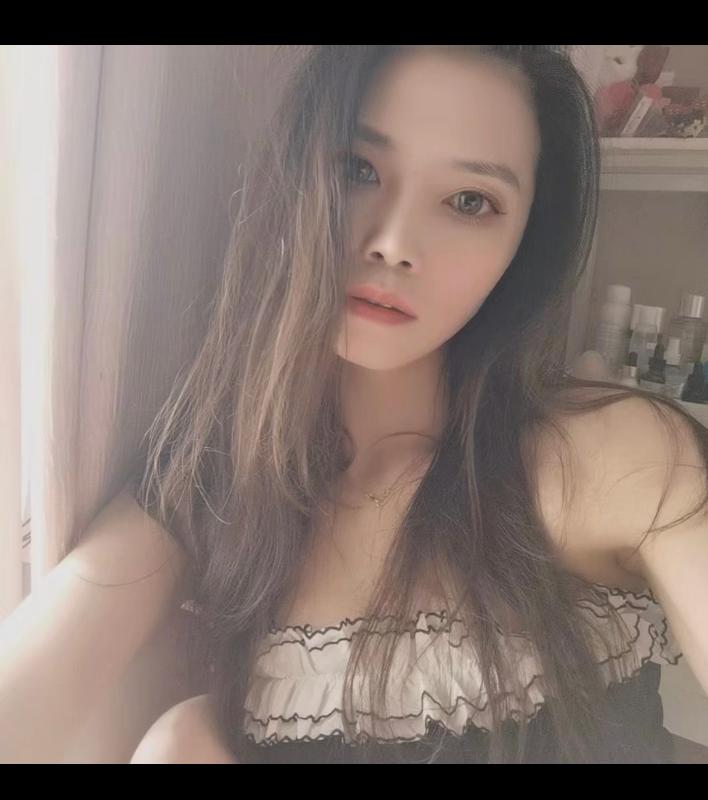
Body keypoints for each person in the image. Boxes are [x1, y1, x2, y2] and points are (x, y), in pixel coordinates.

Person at [4, 45, 708, 765]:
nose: (393, 244)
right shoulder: (217, 481)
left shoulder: (608, 457)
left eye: (470, 201)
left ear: (526, 241)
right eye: (357, 169)